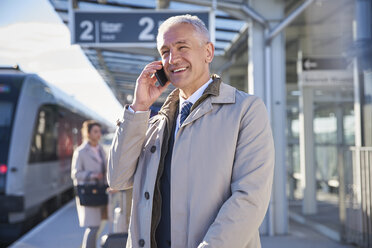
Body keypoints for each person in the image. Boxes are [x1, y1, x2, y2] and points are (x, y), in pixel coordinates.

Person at [108, 14, 275, 248]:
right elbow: (118, 177)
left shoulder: (245, 110)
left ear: (208, 52)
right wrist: (138, 108)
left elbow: (249, 199)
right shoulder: (155, 123)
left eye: (182, 47)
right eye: (165, 51)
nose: (172, 58)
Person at [71, 120, 107, 248]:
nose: (99, 135)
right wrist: (92, 175)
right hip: (89, 193)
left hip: (101, 192)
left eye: (99, 132)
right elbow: (75, 174)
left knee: (97, 226)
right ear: (88, 133)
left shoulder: (101, 149)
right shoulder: (81, 152)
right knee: (93, 227)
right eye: (95, 131)